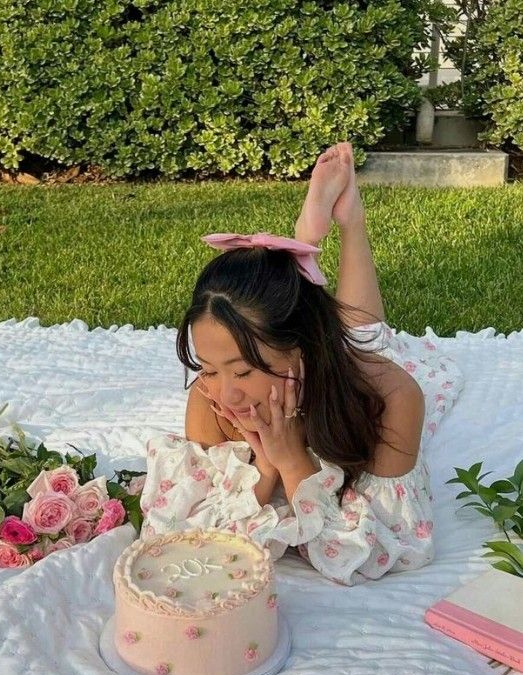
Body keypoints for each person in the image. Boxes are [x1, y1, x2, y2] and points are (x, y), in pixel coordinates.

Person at [139, 142, 463, 585]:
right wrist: (266, 467)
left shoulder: (391, 397)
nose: (226, 393)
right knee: (353, 330)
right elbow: (189, 526)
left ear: (305, 349)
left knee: (367, 336)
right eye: (210, 368)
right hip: (317, 351)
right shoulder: (211, 395)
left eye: (244, 370)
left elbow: (390, 547)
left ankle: (351, 222)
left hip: (347, 371)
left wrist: (293, 461)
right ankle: (302, 246)